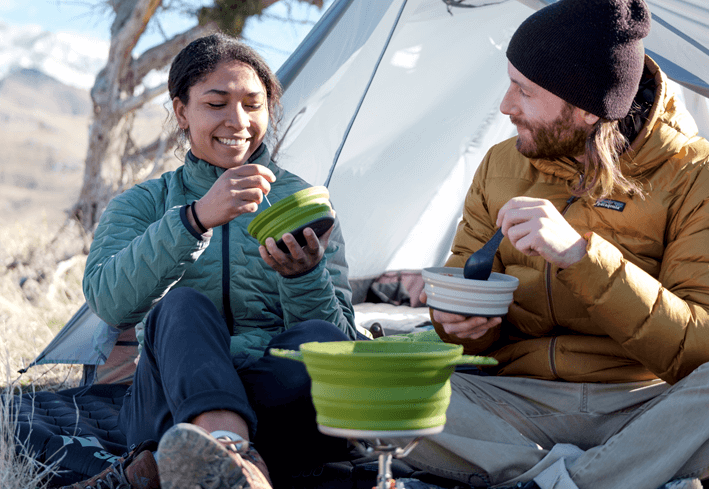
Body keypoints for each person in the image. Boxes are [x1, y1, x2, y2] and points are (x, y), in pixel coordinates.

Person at [400, 0, 709, 488]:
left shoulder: (694, 175)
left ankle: (537, 477)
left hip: (642, 407)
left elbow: (699, 347)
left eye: (524, 90)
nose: (505, 105)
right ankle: (604, 478)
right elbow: (462, 300)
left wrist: (584, 258)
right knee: (375, 387)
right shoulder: (500, 167)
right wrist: (462, 324)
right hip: (512, 402)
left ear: (587, 108)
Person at [61, 33, 357, 489]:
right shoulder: (143, 204)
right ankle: (229, 452)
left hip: (274, 398)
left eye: (253, 105)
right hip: (168, 404)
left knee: (318, 338)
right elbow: (109, 303)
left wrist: (304, 278)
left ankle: (193, 463)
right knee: (180, 307)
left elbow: (342, 341)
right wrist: (193, 220)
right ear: (182, 111)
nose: (237, 121)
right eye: (216, 104)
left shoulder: (302, 203)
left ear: (269, 110)